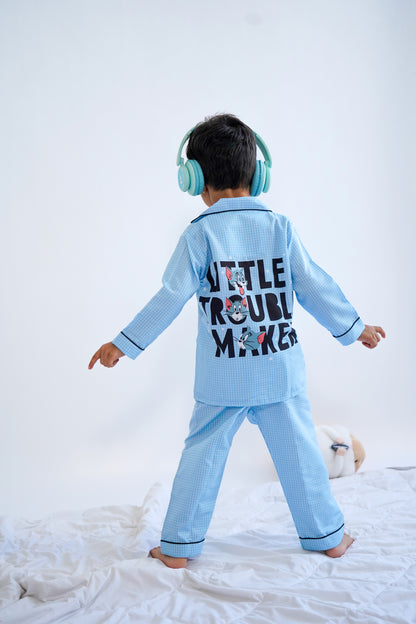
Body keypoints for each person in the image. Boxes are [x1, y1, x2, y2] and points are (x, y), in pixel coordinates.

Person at [89, 114, 385, 569]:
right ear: (258, 174)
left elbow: (170, 297)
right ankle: (328, 536)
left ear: (195, 179)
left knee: (201, 459)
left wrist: (124, 344)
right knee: (302, 456)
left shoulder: (199, 233)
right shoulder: (280, 227)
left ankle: (178, 548)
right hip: (279, 372)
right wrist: (354, 327)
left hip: (222, 378)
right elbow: (314, 285)